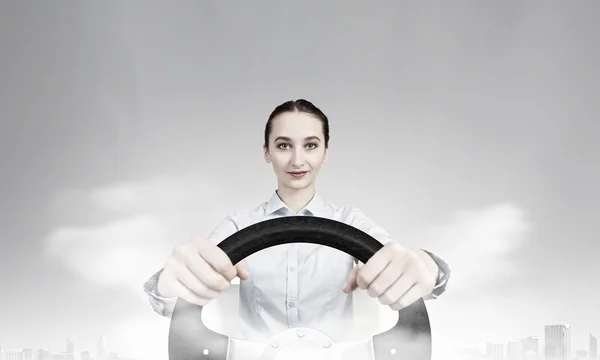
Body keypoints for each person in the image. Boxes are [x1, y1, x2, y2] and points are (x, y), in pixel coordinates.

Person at [143, 99, 451, 342]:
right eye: (283, 145)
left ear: (326, 153)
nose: (297, 160)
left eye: (311, 145)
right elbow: (174, 300)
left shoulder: (351, 222)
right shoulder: (239, 226)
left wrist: (425, 265)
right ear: (267, 153)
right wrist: (170, 283)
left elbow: (412, 273)